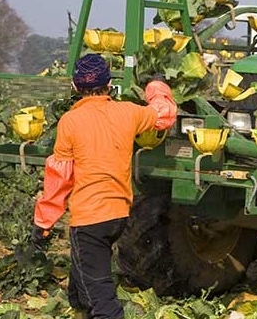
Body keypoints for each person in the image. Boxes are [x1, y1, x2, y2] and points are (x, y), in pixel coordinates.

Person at [31, 54, 177, 319]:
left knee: (103, 299)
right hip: (118, 216)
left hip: (89, 220)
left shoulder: (70, 122)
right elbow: (163, 116)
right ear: (109, 84)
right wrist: (156, 87)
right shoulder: (128, 112)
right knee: (83, 279)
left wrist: (43, 223)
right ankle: (79, 309)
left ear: (75, 88)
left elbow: (59, 179)